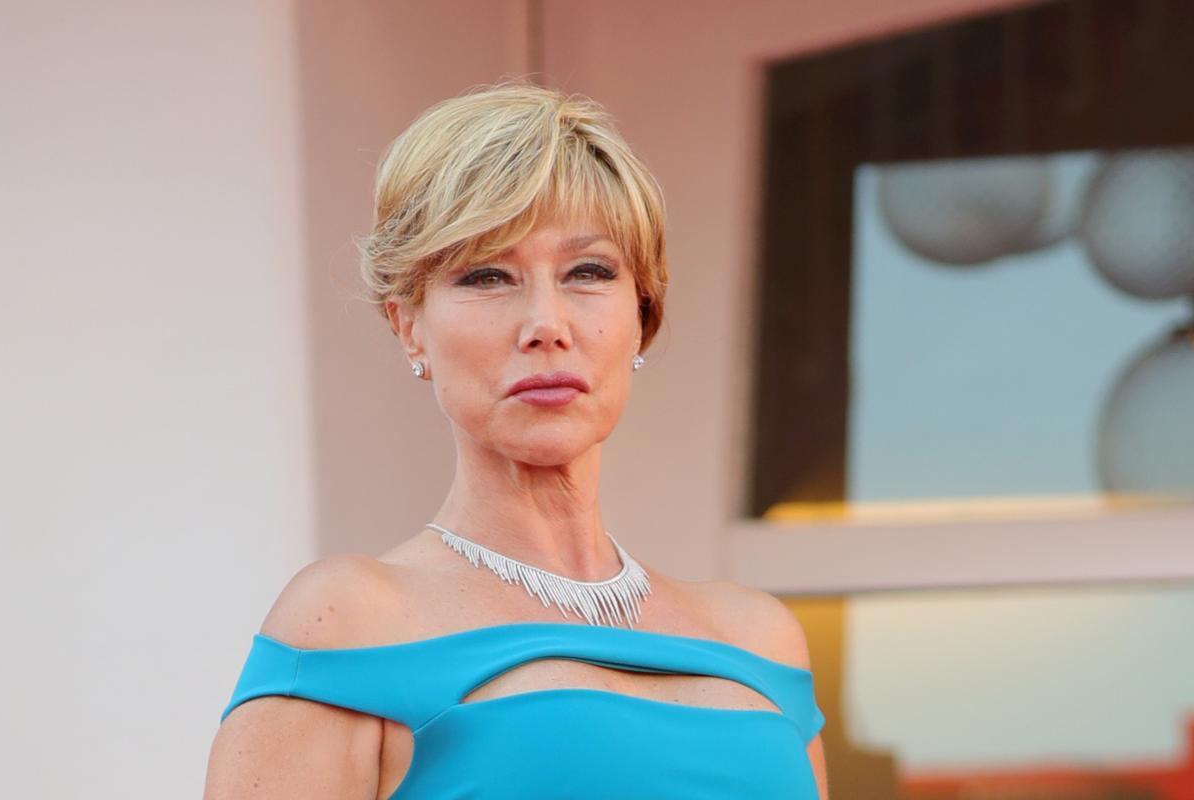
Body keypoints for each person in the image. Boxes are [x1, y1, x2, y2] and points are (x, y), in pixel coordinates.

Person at [203, 80, 828, 799]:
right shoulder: (350, 622)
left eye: (588, 272)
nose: (546, 324)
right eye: (488, 276)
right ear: (409, 325)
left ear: (642, 313)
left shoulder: (760, 639)